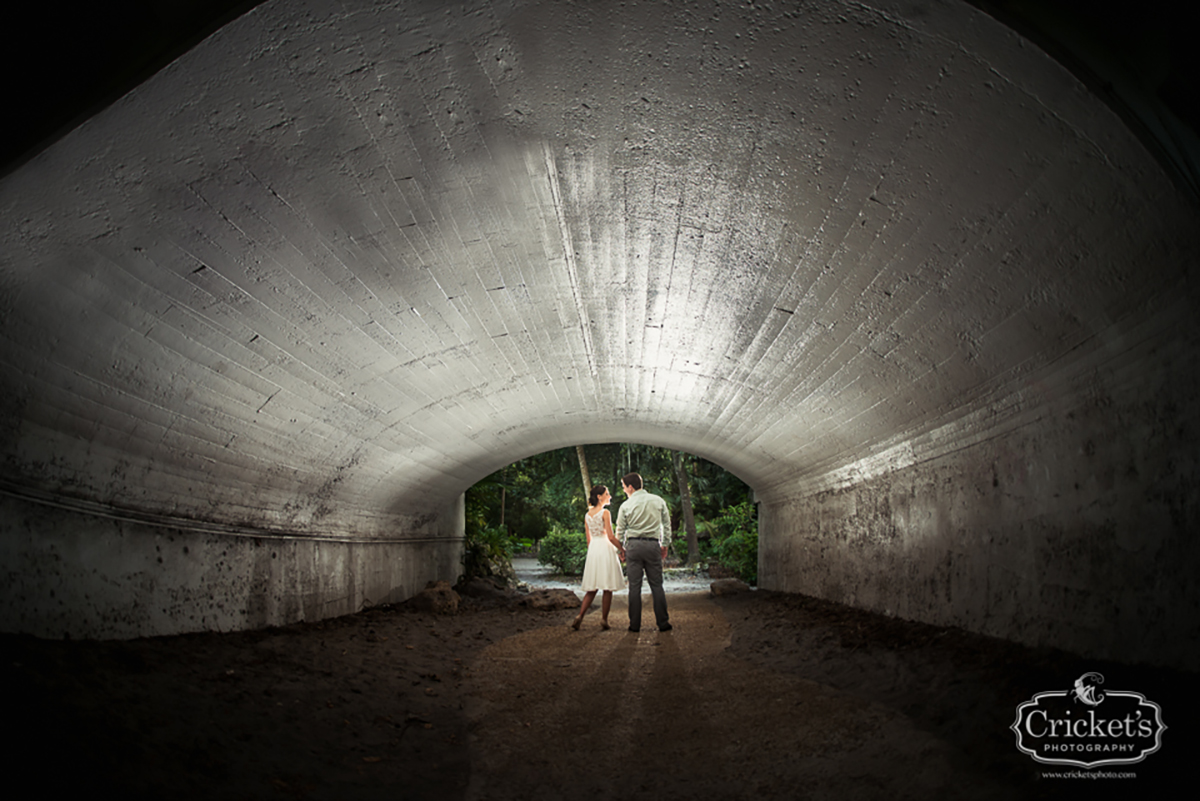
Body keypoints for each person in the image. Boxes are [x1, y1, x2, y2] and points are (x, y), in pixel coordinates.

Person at [615, 472, 672, 632]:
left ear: (631, 487)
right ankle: (663, 623)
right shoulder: (658, 501)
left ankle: (634, 625)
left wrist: (620, 549)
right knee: (657, 585)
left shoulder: (625, 506)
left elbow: (620, 530)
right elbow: (666, 525)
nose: (624, 490)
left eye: (624, 487)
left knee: (634, 586)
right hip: (653, 545)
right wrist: (665, 545)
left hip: (633, 546)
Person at [570, 484, 626, 631]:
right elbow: (611, 536)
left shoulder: (587, 515)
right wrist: (621, 549)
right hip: (605, 547)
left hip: (594, 549)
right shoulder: (605, 513)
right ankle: (604, 619)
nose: (610, 496)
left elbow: (588, 539)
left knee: (592, 588)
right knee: (607, 587)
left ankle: (580, 616)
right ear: (599, 497)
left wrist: (592, 552)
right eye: (607, 494)